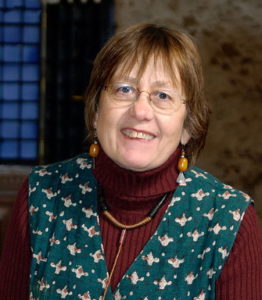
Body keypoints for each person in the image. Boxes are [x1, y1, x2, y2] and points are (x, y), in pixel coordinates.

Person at [0, 23, 261, 300]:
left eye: (163, 96)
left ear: (188, 126)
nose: (140, 110)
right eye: (124, 89)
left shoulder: (229, 219)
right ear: (97, 111)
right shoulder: (41, 195)